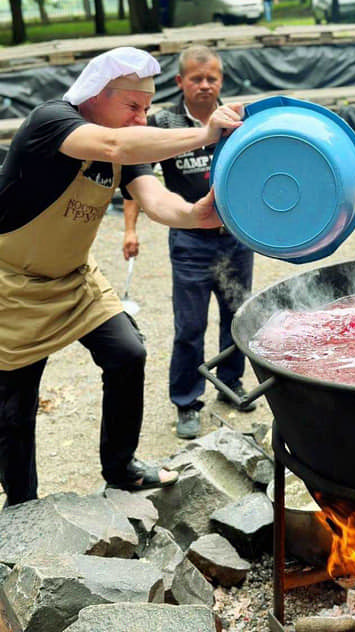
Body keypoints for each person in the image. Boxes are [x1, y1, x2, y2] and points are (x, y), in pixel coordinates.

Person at [0, 46, 244, 507]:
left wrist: (195, 213)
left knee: (127, 354)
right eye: (132, 106)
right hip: (12, 285)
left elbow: (156, 201)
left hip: (74, 280)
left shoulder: (126, 145)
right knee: (15, 407)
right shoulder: (51, 122)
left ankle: (121, 467)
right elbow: (113, 145)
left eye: (147, 109)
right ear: (96, 95)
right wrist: (204, 134)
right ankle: (22, 505)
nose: (141, 118)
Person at [123, 46, 255, 441]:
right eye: (196, 78)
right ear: (180, 82)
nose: (204, 85)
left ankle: (231, 384)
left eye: (211, 78)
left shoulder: (236, 121)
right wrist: (130, 230)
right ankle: (186, 401)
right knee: (189, 326)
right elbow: (136, 181)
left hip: (234, 239)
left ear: (221, 81)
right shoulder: (163, 123)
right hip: (189, 243)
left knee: (237, 317)